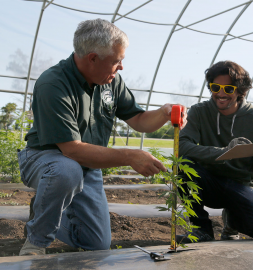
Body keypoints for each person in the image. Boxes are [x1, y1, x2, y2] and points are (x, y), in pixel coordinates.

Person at [18, 18, 187, 256]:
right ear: (93, 58)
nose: (121, 67)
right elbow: (71, 150)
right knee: (66, 171)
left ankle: (45, 211)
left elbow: (138, 120)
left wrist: (163, 112)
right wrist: (129, 155)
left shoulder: (111, 82)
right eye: (117, 61)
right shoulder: (53, 83)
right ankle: (36, 243)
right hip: (45, 158)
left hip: (88, 166)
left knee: (97, 244)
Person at [176, 61, 253, 243]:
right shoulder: (200, 112)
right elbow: (182, 145)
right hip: (209, 182)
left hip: (240, 186)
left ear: (240, 91)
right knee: (182, 164)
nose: (221, 94)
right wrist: (223, 152)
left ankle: (233, 221)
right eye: (215, 87)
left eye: (228, 89)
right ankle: (201, 229)